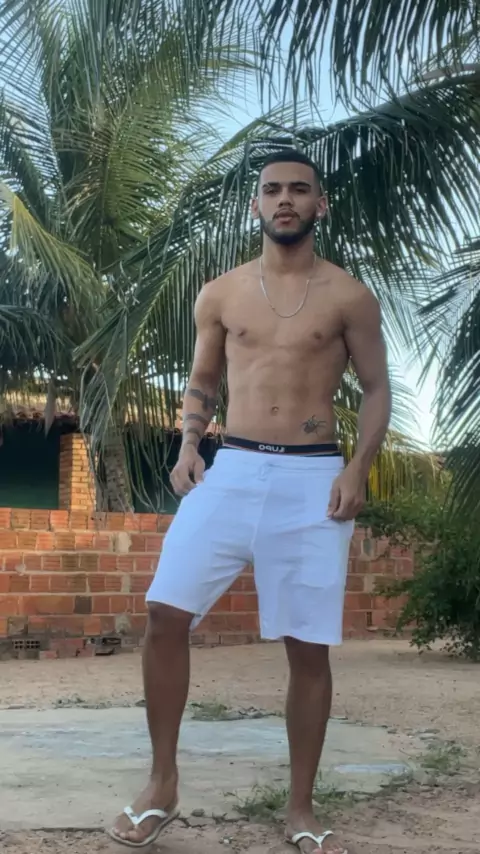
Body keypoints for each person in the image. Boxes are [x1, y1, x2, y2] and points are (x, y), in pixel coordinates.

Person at [109, 149, 391, 854]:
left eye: (299, 189)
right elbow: (202, 380)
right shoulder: (221, 293)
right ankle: (162, 784)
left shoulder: (349, 296)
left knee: (308, 645)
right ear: (255, 205)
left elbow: (376, 388)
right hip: (231, 467)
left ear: (320, 205)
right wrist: (188, 446)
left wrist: (358, 468)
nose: (284, 199)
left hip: (313, 476)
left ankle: (300, 806)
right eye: (272, 190)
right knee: (165, 610)